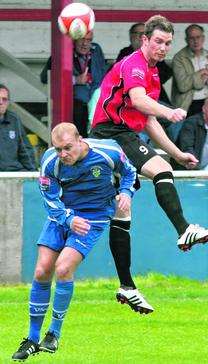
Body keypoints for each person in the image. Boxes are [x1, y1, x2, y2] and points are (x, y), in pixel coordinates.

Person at [89, 15, 208, 310]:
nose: (163, 48)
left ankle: (126, 287)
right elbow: (139, 101)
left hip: (123, 135)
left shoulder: (153, 72)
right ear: (145, 40)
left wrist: (176, 152)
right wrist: (168, 111)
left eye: (168, 44)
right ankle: (184, 229)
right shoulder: (134, 64)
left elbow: (148, 121)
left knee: (123, 211)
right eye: (158, 41)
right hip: (112, 134)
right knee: (160, 171)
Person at [12, 122, 146, 361]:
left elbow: (130, 172)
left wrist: (126, 192)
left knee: (63, 268)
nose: (63, 154)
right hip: (62, 215)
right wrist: (68, 218)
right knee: (42, 270)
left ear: (80, 140)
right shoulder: (50, 162)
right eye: (57, 149)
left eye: (67, 148)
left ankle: (53, 334)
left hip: (93, 218)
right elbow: (49, 199)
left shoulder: (108, 151)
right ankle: (32, 338)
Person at [40, 31, 106, 137]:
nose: (85, 44)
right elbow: (44, 78)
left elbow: (103, 73)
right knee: (79, 110)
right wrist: (75, 80)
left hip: (96, 99)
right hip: (74, 103)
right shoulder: (62, 50)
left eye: (89, 40)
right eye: (82, 39)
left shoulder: (96, 49)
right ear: (74, 39)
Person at [116, 22, 173, 105]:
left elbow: (165, 74)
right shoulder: (125, 53)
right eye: (137, 33)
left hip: (155, 97)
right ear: (131, 36)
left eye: (144, 33)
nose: (141, 36)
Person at [171, 24, 208, 116]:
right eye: (191, 38)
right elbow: (182, 86)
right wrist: (202, 72)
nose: (196, 41)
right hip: (189, 104)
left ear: (203, 38)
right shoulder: (179, 58)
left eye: (198, 37)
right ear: (186, 40)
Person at [171, 94, 208, 170]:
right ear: (204, 109)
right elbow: (187, 148)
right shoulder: (191, 123)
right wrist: (195, 165)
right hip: (186, 170)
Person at [0, 84, 36, 171]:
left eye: (4, 99)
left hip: (14, 172)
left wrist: (33, 173)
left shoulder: (14, 119)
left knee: (32, 182)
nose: (0, 102)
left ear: (8, 102)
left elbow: (25, 150)